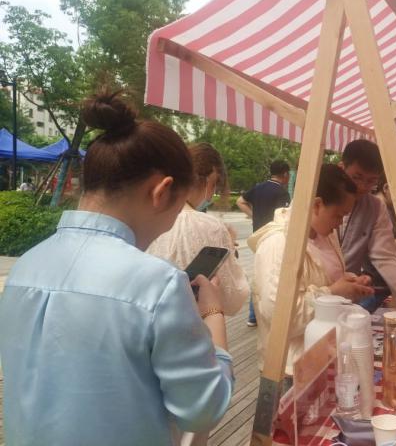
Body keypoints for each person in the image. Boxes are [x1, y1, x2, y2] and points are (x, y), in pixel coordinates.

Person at [0, 91, 233, 446]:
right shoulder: (159, 284)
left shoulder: (25, 268)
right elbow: (202, 409)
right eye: (177, 211)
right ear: (161, 192)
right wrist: (214, 315)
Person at [247, 163, 373, 376]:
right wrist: (333, 292)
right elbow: (280, 318)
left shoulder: (324, 233)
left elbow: (325, 277)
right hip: (291, 367)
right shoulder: (278, 244)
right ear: (316, 205)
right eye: (338, 215)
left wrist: (349, 283)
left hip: (324, 354)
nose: (339, 223)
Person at [147, 143, 249, 319]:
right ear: (207, 180)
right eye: (214, 184)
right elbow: (231, 299)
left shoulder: (151, 215)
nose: (211, 194)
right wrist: (230, 248)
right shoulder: (210, 226)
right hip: (193, 324)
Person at [338, 139, 396, 319]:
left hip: (346, 300)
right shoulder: (318, 195)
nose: (362, 187)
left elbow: (385, 256)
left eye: (371, 181)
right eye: (356, 177)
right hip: (313, 294)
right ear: (341, 168)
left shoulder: (375, 207)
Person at [237, 159, 291, 326]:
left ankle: (252, 316)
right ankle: (262, 315)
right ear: (285, 174)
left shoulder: (258, 188)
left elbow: (240, 201)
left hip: (257, 237)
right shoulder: (282, 193)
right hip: (273, 238)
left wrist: (254, 215)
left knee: (258, 273)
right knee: (271, 276)